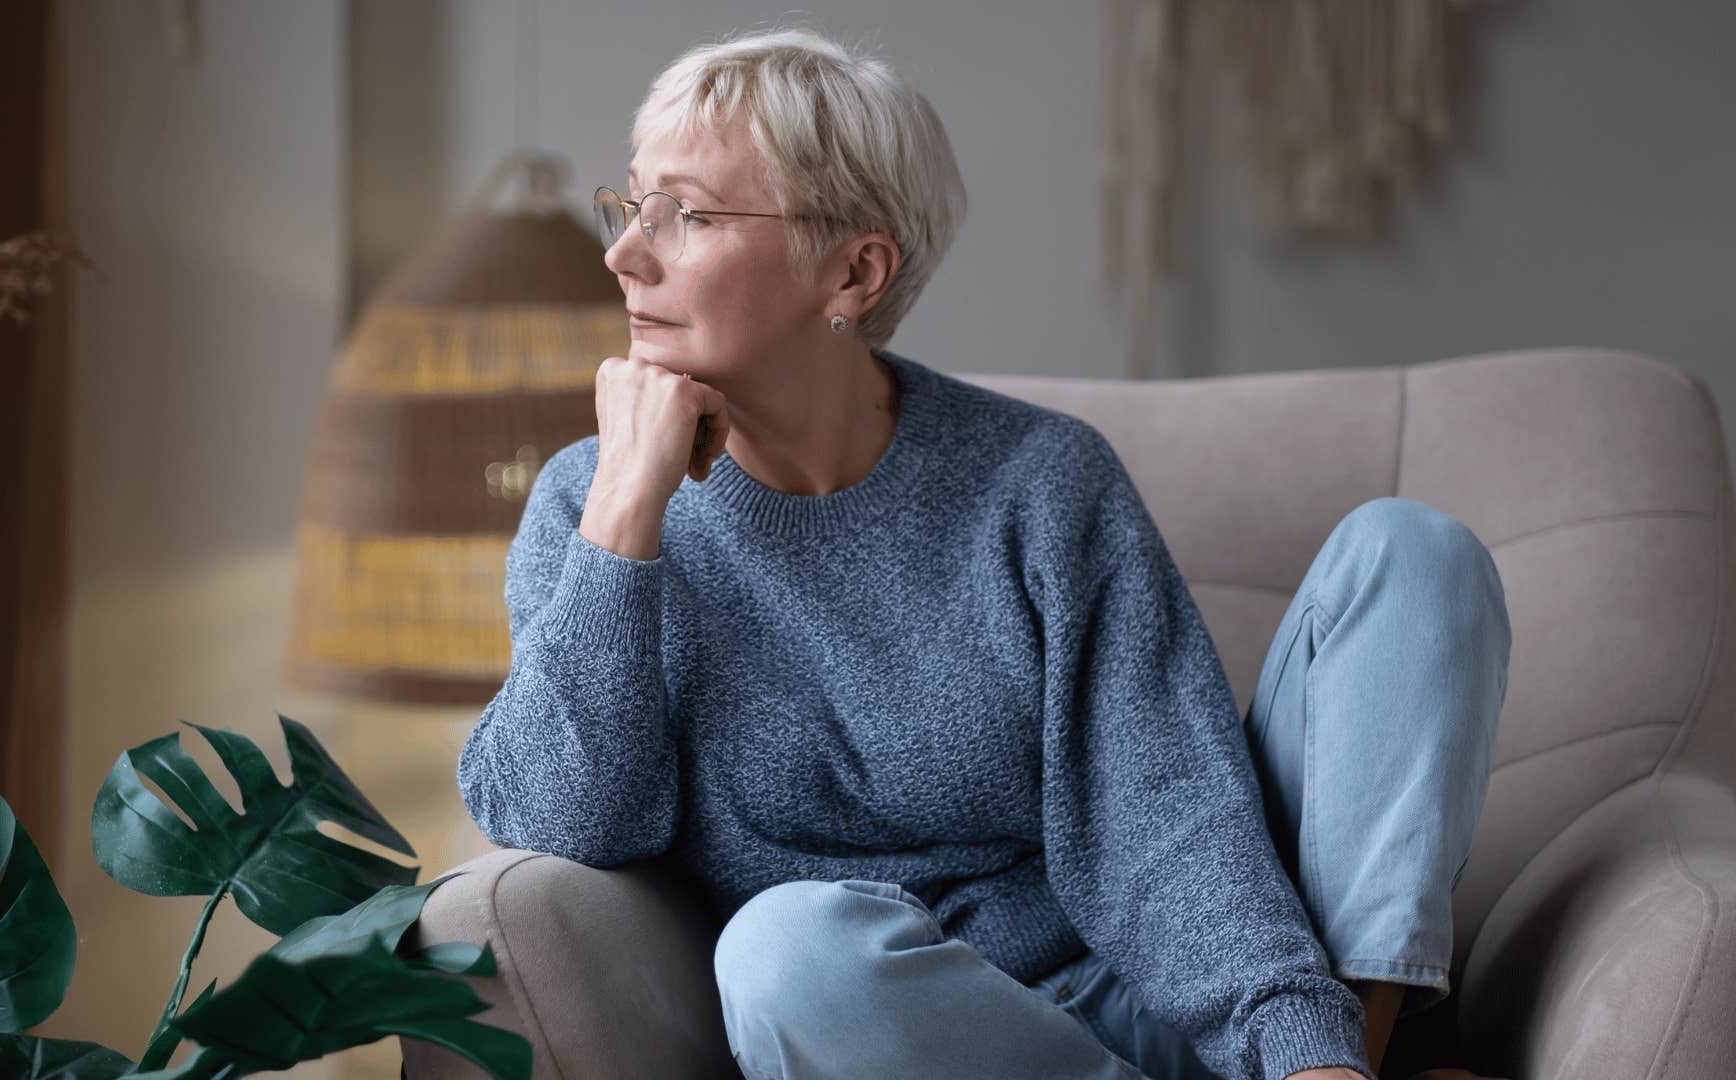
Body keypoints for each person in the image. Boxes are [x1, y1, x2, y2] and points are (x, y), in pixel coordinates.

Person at [456, 24, 1511, 1080]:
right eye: (631, 206)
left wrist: (1298, 1044)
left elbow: (1160, 806)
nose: (623, 253)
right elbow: (565, 825)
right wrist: (623, 521)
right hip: (919, 1037)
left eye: (684, 214)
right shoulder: (590, 507)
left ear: (854, 271)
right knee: (783, 950)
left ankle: (1348, 1060)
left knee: (1409, 557)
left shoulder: (1040, 482)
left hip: (1140, 992)